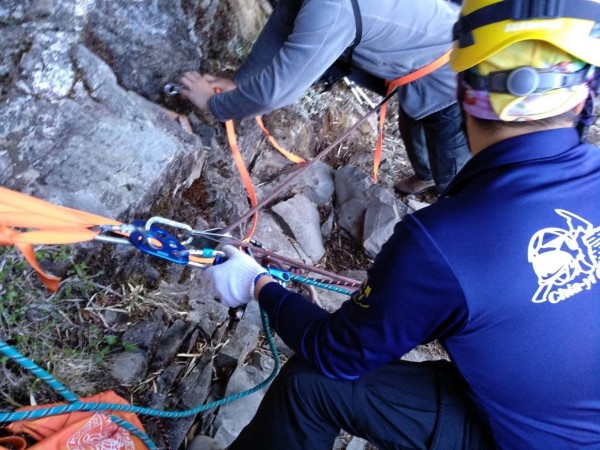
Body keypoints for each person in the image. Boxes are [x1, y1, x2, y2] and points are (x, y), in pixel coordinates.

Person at [192, 0, 600, 448]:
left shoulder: (439, 244)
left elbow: (337, 353)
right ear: (585, 91)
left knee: (312, 384)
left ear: (464, 91)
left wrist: (257, 285)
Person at [179, 0, 472, 195]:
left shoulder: (332, 9)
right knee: (413, 124)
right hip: (425, 55)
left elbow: (278, 90)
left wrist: (215, 105)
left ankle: (456, 206)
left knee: (450, 156)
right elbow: (282, 25)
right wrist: (239, 82)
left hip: (452, 70)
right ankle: (426, 174)